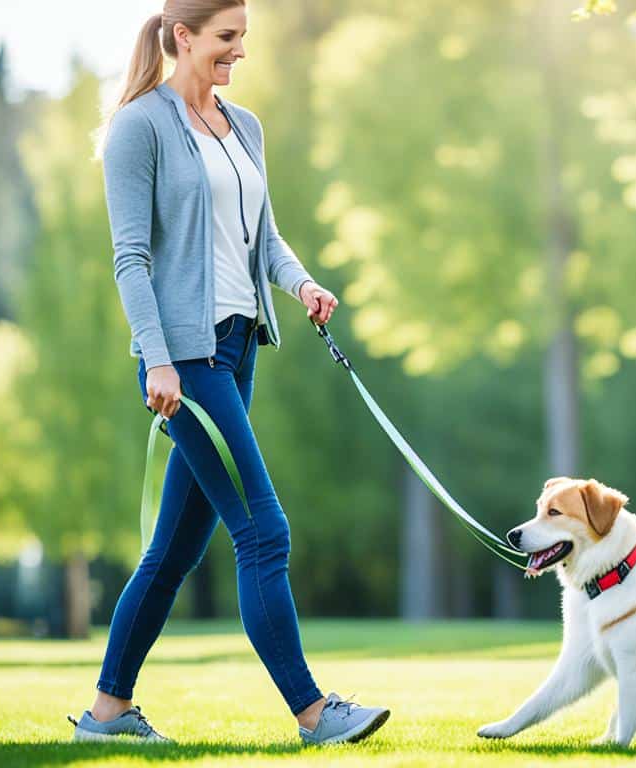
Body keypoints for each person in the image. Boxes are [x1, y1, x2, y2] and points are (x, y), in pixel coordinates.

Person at [66, 0, 389, 746]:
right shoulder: (139, 128)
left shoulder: (245, 127)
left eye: (243, 38)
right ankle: (314, 714)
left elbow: (264, 237)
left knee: (174, 551)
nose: (240, 51)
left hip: (240, 351)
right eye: (226, 38)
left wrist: (302, 284)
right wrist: (156, 357)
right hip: (186, 361)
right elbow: (131, 258)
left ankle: (108, 715)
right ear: (182, 36)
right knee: (264, 533)